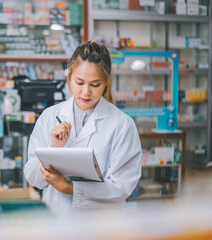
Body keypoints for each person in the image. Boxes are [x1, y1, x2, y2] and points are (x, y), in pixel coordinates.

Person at [24, 41, 142, 212]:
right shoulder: (50, 116)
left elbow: (122, 186)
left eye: (95, 85)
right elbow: (33, 177)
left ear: (106, 83)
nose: (86, 92)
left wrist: (70, 189)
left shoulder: (122, 125)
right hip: (59, 221)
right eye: (79, 82)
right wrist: (53, 149)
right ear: (70, 77)